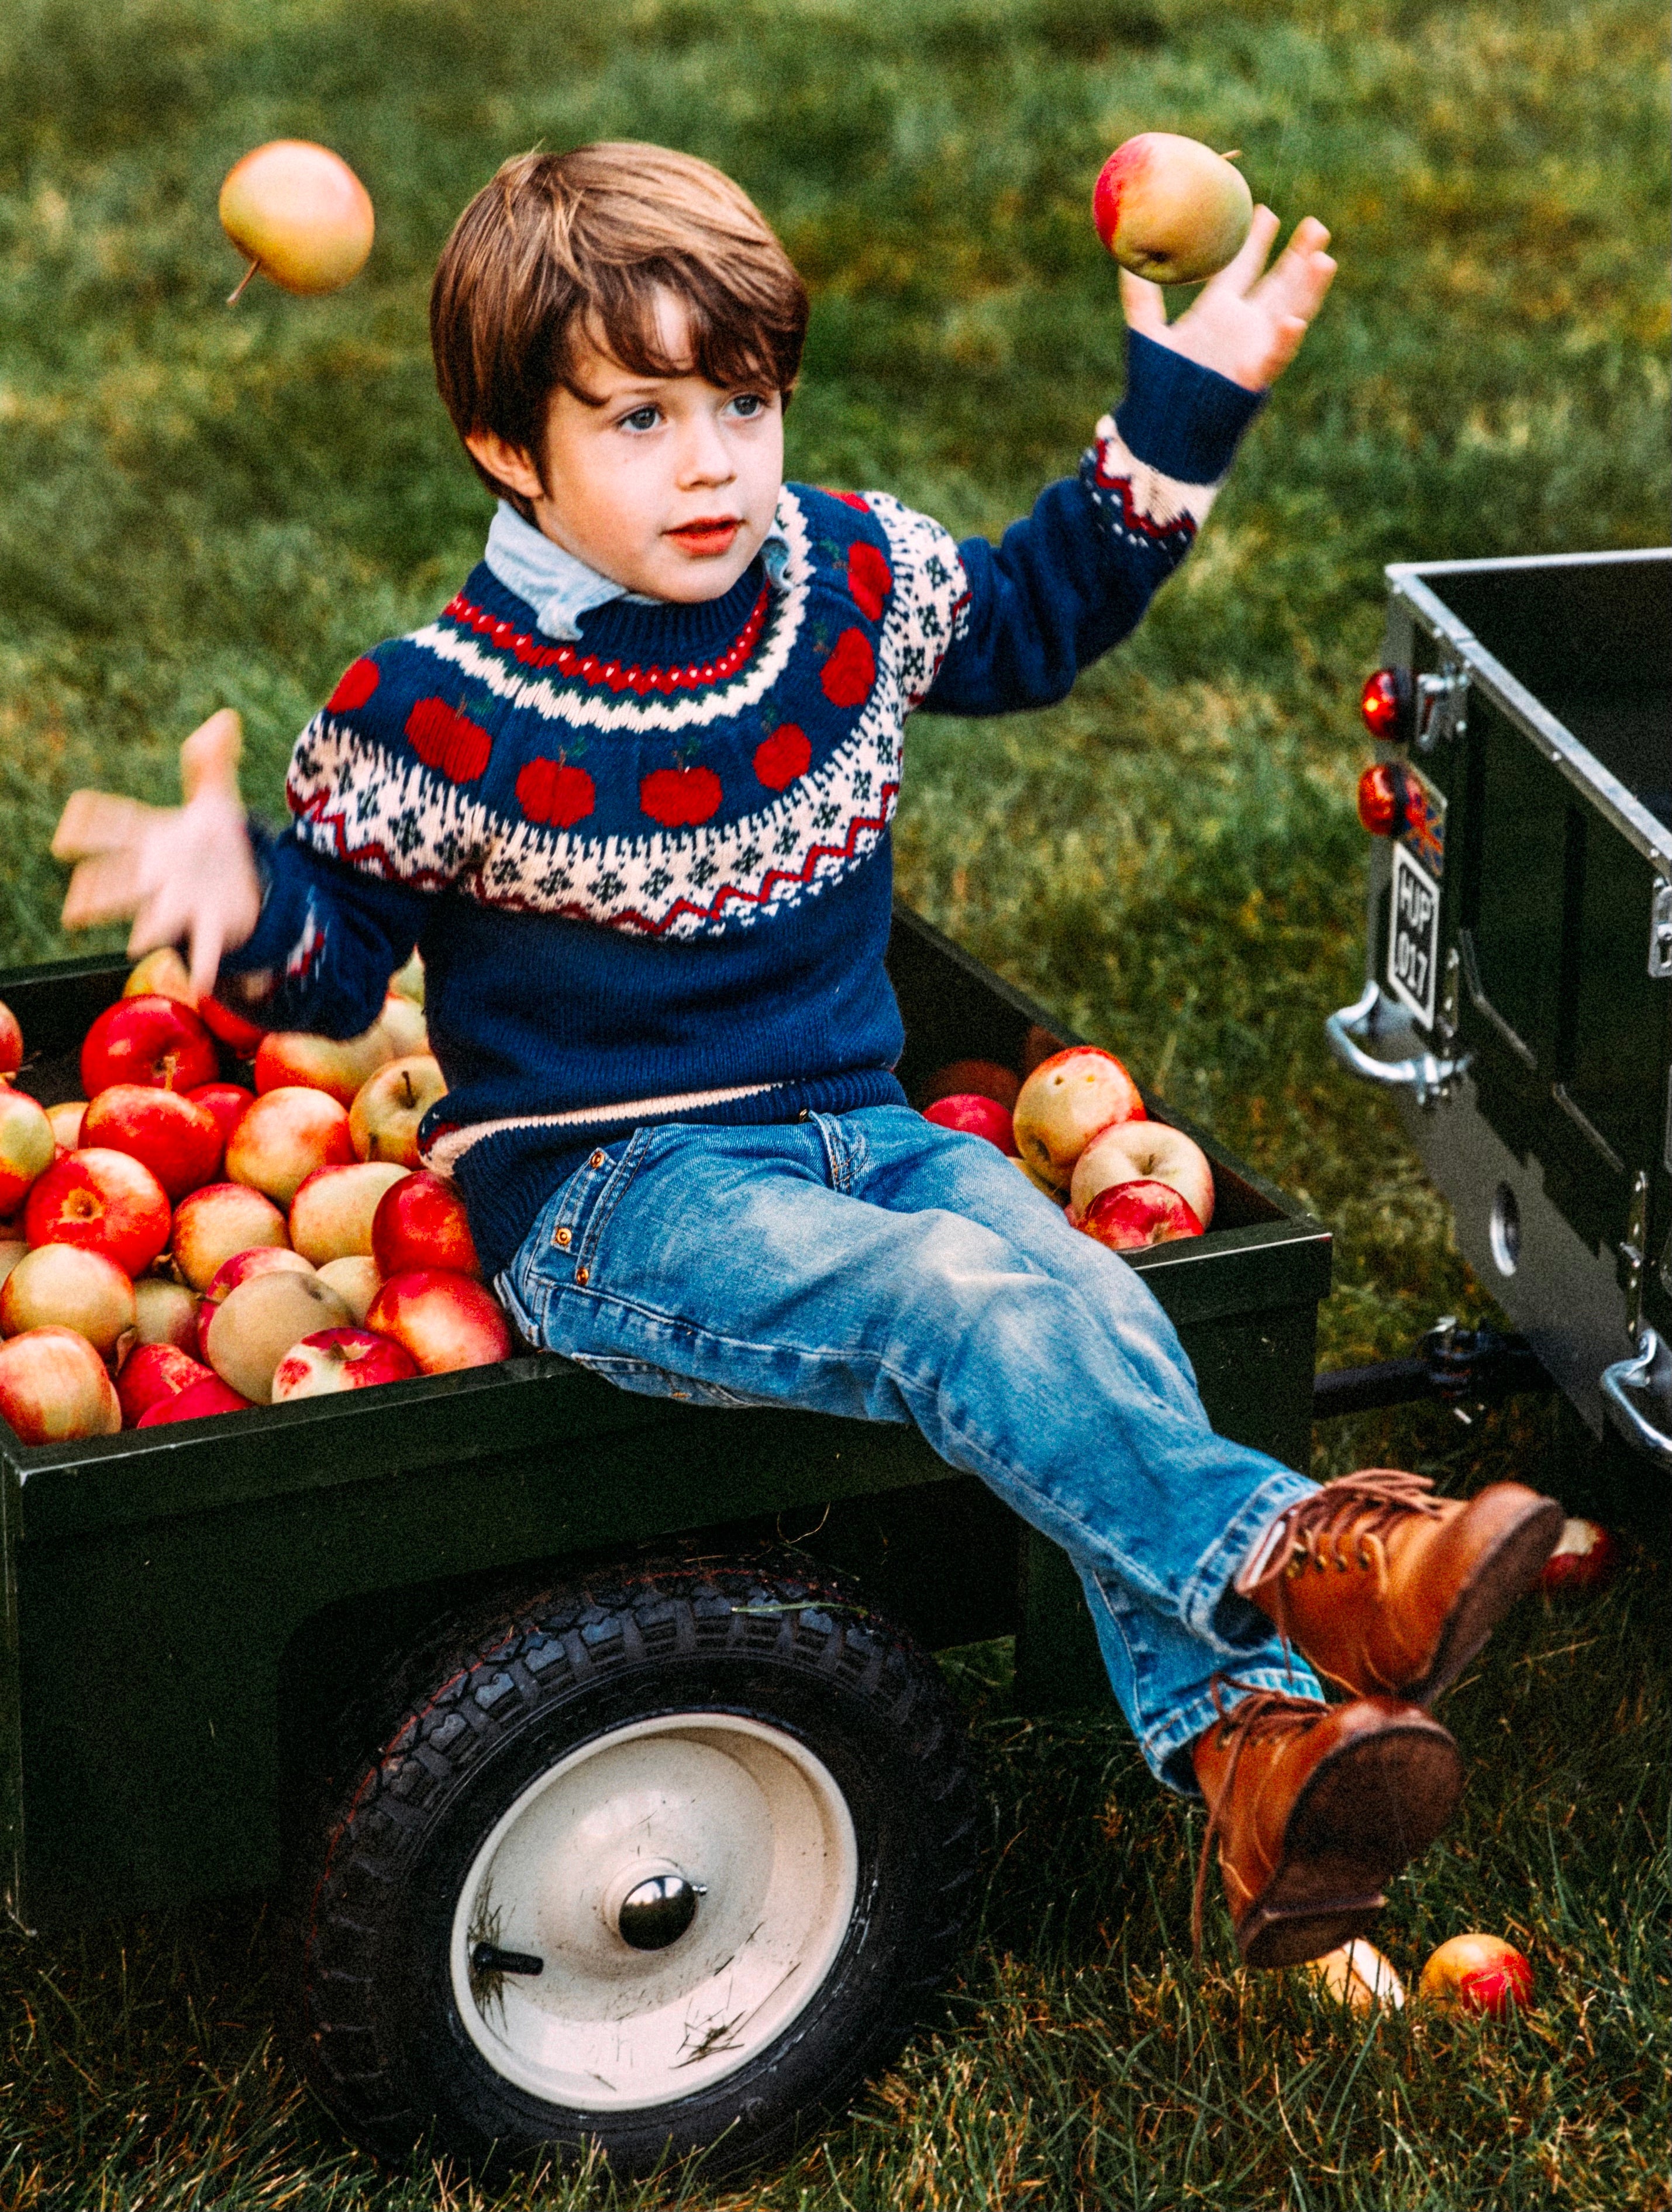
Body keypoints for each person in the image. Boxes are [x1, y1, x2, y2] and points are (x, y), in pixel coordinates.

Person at [53, 143, 1561, 1966]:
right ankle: (1304, 1557)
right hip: (618, 1197)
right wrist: (239, 903)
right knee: (954, 1299)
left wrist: (1182, 411)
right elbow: (333, 962)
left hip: (854, 1128)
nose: (708, 461)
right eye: (636, 417)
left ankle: (1250, 1756)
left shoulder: (837, 580)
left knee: (1087, 1300)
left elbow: (1029, 618)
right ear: (506, 449)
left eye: (742, 403)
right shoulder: (432, 709)